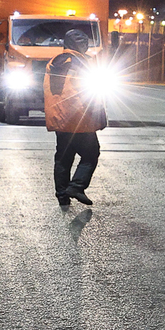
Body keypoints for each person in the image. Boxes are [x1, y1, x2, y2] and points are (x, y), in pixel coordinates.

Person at [44, 29, 108, 208]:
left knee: (63, 158)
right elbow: (90, 92)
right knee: (91, 153)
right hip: (80, 118)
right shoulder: (82, 64)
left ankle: (62, 194)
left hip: (59, 117)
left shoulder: (54, 62)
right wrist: (98, 114)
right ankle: (77, 186)